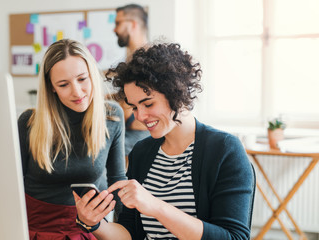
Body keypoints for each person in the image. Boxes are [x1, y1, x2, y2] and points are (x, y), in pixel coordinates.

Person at [73, 43, 256, 239]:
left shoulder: (225, 150)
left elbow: (234, 237)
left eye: (148, 103)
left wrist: (155, 206)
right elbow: (129, 234)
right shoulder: (142, 153)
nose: (140, 116)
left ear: (176, 93)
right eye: (134, 107)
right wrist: (93, 223)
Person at [18, 39, 127, 239]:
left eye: (82, 79)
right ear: (51, 87)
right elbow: (13, 184)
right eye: (63, 84)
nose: (77, 92)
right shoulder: (29, 122)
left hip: (89, 227)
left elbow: (117, 180)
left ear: (92, 75)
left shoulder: (112, 116)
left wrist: (123, 230)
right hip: (35, 228)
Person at [112, 4, 150, 164]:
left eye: (118, 23)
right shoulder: (130, 58)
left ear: (133, 24)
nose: (114, 29)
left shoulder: (149, 59)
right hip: (127, 133)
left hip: (138, 136)